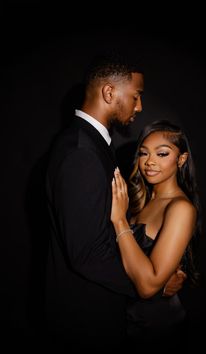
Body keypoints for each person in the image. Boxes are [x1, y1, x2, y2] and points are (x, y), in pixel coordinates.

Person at [45, 53, 186, 352]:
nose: (140, 106)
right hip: (86, 321)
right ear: (109, 92)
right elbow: (87, 254)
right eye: (135, 96)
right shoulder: (82, 152)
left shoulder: (90, 144)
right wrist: (153, 287)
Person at [111, 119, 201, 352]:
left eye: (162, 154)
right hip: (125, 324)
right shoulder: (139, 201)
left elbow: (148, 286)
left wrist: (119, 220)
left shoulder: (180, 208)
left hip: (157, 330)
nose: (149, 162)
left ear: (181, 159)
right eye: (143, 153)